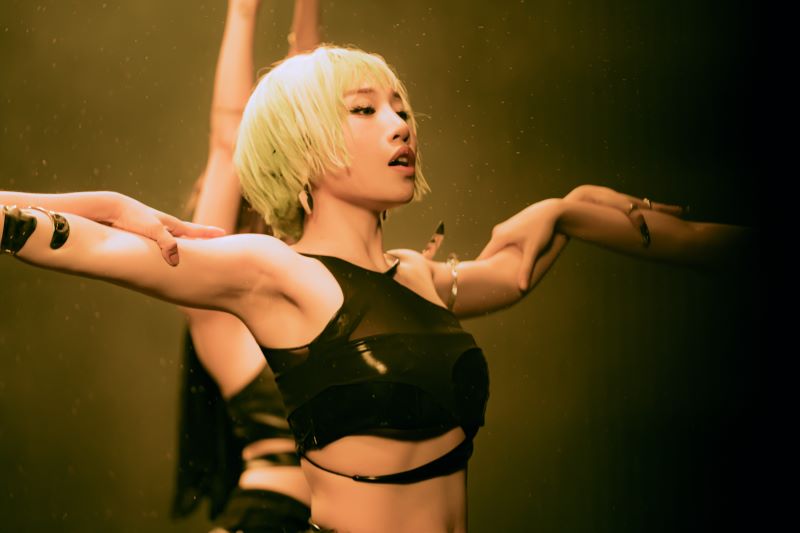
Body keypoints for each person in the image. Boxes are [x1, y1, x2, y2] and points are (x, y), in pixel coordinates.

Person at [0, 45, 752, 532]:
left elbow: (517, 270)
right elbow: (68, 240)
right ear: (301, 148)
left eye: (400, 107)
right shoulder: (275, 273)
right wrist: (115, 206)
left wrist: (567, 207)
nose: (399, 124)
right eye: (363, 110)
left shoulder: (419, 277)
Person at [171, 1, 319, 532]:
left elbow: (313, 113)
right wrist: (242, 10)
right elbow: (228, 141)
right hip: (267, 517)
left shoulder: (321, 292)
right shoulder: (221, 324)